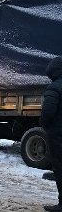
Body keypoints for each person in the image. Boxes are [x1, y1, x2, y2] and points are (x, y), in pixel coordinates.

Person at [40, 57, 62, 212]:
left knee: (60, 167)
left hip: (58, 134)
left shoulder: (54, 87)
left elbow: (47, 113)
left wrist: (45, 125)